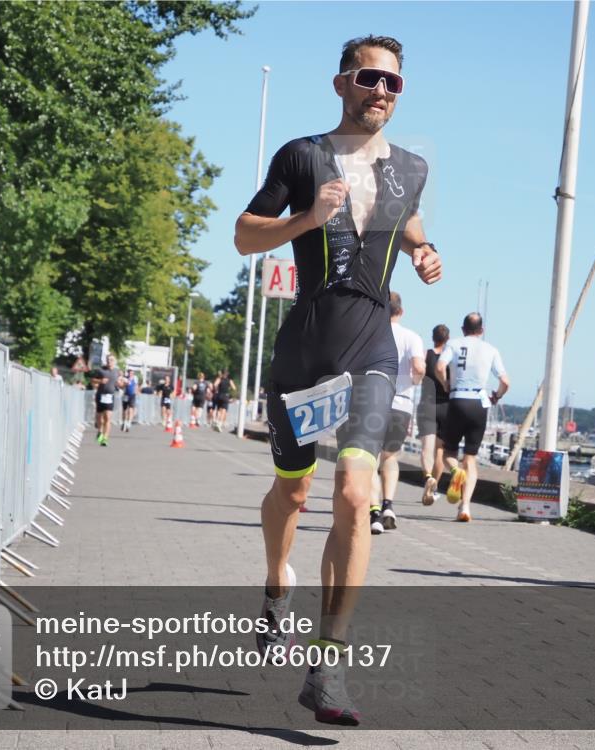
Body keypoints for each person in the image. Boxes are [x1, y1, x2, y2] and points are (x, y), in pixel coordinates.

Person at [233, 35, 440, 725]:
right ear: (342, 83)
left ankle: (328, 664)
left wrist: (422, 249)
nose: (381, 90)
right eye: (369, 77)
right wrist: (306, 218)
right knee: (292, 495)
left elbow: (403, 216)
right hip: (305, 353)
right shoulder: (301, 155)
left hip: (372, 352)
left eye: (393, 83)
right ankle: (274, 590)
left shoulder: (412, 167)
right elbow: (244, 234)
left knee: (355, 494)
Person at [435, 313, 509, 522]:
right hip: (479, 402)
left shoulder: (454, 344)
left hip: (458, 400)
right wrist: (497, 395)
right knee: (471, 458)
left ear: (462, 328)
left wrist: (445, 384)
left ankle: (456, 471)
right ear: (481, 330)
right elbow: (505, 381)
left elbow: (440, 367)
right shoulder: (491, 350)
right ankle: (465, 507)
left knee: (448, 452)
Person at [371, 292, 424, 534]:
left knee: (370, 459)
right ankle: (388, 506)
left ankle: (372, 512)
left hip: (372, 402)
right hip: (401, 403)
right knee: (390, 457)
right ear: (400, 312)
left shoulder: (372, 332)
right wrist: (413, 382)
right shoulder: (412, 337)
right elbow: (419, 367)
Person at [417, 324, 450, 505]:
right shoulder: (449, 360)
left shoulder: (426, 354)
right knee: (440, 451)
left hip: (427, 405)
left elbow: (418, 373)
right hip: (446, 407)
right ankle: (433, 488)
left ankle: (428, 477)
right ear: (447, 339)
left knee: (426, 448)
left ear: (433, 337)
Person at [91, 355, 125, 447]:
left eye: (112, 360)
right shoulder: (101, 370)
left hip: (110, 397)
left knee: (108, 418)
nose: (110, 361)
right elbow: (92, 380)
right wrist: (100, 381)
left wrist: (121, 384)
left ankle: (105, 439)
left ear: (115, 361)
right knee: (99, 419)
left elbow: (121, 384)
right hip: (100, 395)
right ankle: (100, 431)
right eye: (108, 360)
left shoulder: (117, 372)